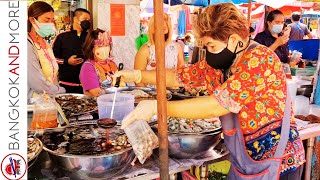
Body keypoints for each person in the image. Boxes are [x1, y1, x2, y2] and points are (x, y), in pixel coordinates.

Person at [114, 3, 305, 179]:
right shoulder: (220, 64)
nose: (208, 52)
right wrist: (137, 75)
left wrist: (158, 107)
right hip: (244, 162)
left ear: (235, 40)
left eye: (211, 46)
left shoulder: (259, 59)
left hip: (280, 164)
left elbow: (216, 106)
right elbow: (179, 76)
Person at [27, 1, 66, 101]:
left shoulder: (46, 44)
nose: (50, 24)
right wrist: (61, 90)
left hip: (49, 102)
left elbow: (53, 75)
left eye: (52, 20)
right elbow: (37, 83)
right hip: (33, 105)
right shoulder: (27, 45)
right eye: (46, 20)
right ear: (32, 20)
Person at [134, 13, 185, 87]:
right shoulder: (145, 50)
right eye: (159, 22)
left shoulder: (176, 47)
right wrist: (147, 96)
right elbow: (137, 79)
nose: (163, 24)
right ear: (152, 27)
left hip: (173, 94)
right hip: (151, 95)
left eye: (166, 21)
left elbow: (182, 72)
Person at [52, 8, 91, 94]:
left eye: (89, 20)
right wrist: (66, 61)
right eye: (85, 19)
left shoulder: (90, 38)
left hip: (87, 86)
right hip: (66, 85)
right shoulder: (61, 37)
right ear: (75, 19)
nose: (87, 22)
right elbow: (51, 59)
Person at [79, 29, 118, 96]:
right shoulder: (88, 67)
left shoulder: (112, 64)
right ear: (91, 48)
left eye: (106, 45)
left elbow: (121, 85)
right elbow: (96, 93)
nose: (104, 49)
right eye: (100, 46)